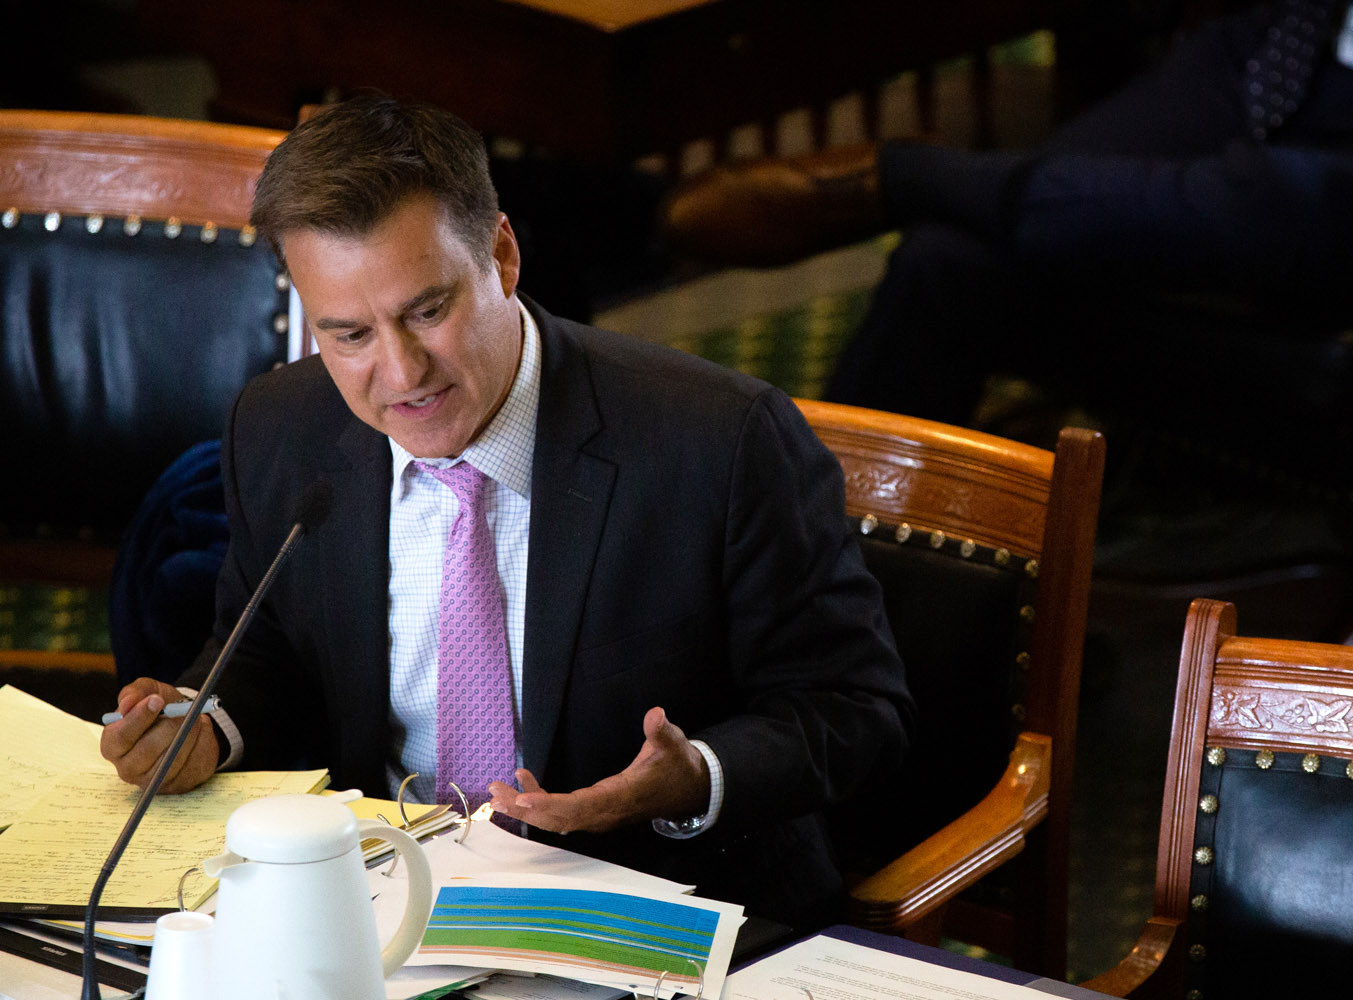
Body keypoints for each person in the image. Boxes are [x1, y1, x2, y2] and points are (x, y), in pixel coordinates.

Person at [99, 95, 913, 928]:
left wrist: (694, 775)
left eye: (428, 311)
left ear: (503, 252)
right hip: (383, 905)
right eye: (349, 336)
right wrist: (209, 725)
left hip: (655, 901)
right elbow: (269, 646)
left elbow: (853, 709)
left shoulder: (720, 441)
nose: (403, 372)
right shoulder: (281, 427)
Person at [663, 0, 1353, 428]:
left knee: (959, 259)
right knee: (963, 249)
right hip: (1293, 43)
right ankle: (831, 579)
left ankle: (894, 177)